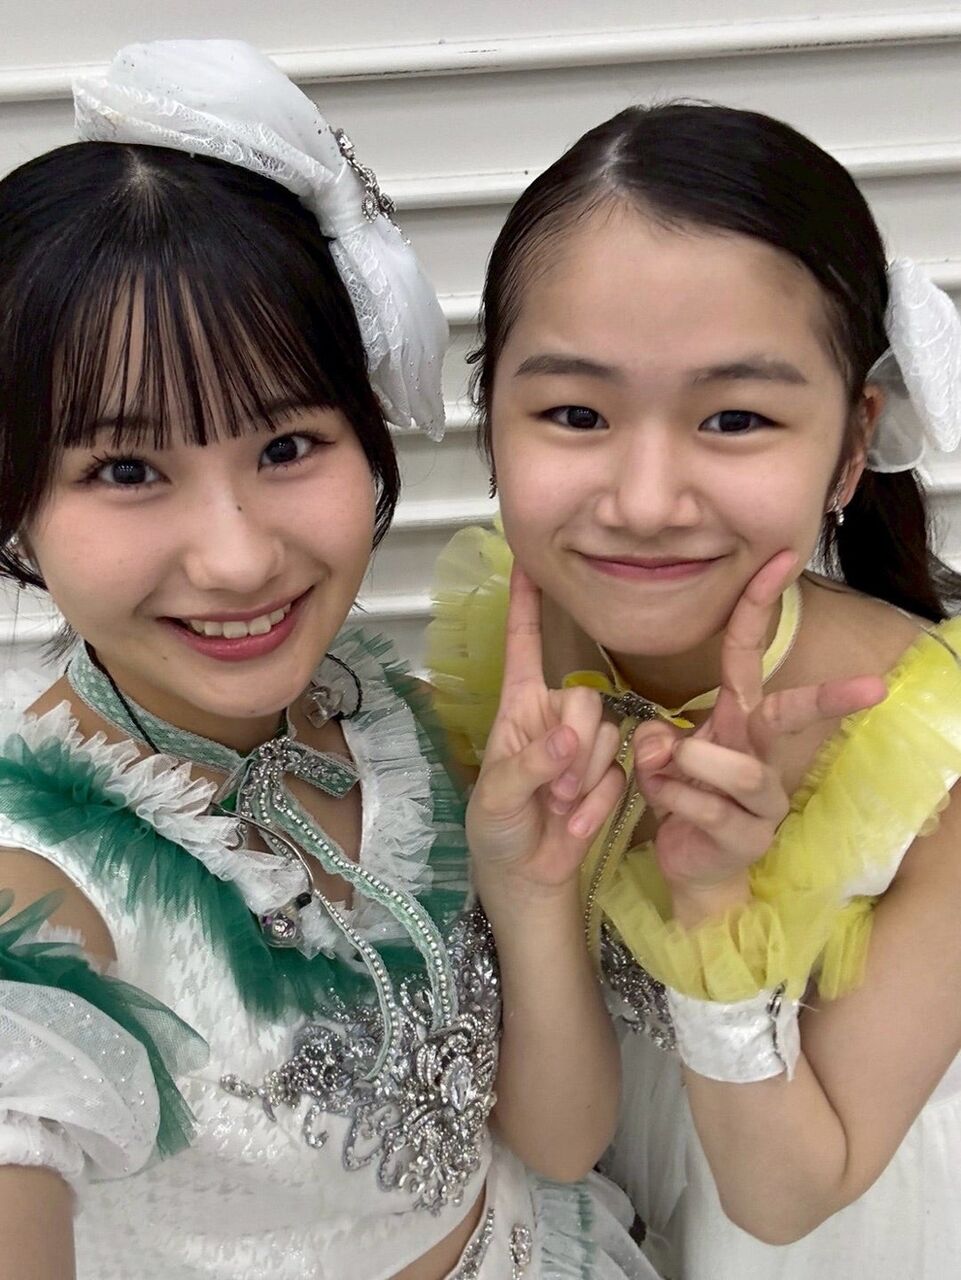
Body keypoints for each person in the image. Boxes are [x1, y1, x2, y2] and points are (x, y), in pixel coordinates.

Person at [0, 42, 656, 1280]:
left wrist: (528, 897)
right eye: (127, 469)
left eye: (288, 444)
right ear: (16, 506)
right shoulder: (38, 880)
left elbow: (558, 1141)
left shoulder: (403, 731)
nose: (239, 557)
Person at [429, 102, 961, 1278]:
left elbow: (785, 1198)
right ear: (491, 418)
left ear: (851, 444)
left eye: (734, 417)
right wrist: (531, 890)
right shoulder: (509, 671)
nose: (644, 500)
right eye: (575, 413)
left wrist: (717, 912)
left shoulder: (936, 751)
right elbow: (553, 1138)